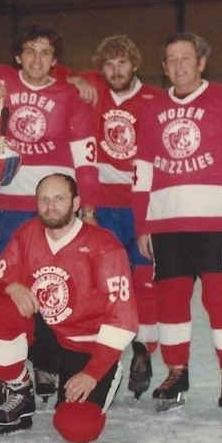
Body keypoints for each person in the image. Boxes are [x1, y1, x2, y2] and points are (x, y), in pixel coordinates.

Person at [133, 32, 222, 415]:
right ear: (164, 67)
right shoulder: (153, 109)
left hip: (216, 218)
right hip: (166, 220)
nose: (179, 65)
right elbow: (142, 171)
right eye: (171, 59)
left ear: (202, 62)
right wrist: (143, 225)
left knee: (218, 295)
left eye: (186, 58)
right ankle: (176, 371)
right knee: (170, 299)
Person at [0, 173, 136, 442]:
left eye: (59, 199)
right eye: (44, 199)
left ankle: (103, 379)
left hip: (87, 350)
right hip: (48, 337)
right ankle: (21, 393)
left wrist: (93, 372)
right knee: (1, 309)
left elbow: (124, 319)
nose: (50, 205)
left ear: (76, 203)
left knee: (78, 428)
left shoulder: (104, 245)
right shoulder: (28, 234)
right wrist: (8, 286)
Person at [0, 25, 100, 255]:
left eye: (45, 52)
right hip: (8, 202)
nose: (37, 59)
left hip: (55, 205)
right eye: (30, 51)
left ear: (54, 60)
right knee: (10, 274)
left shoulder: (70, 97)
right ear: (18, 56)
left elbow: (86, 163)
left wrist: (88, 213)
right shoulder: (1, 78)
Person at [76, 34, 161, 399]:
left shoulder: (154, 98)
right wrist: (77, 80)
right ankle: (102, 355)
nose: (115, 70)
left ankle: (143, 352)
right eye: (108, 64)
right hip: (104, 205)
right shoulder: (95, 89)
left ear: (134, 63)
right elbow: (56, 73)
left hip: (143, 204)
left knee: (145, 282)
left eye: (122, 63)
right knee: (104, 285)